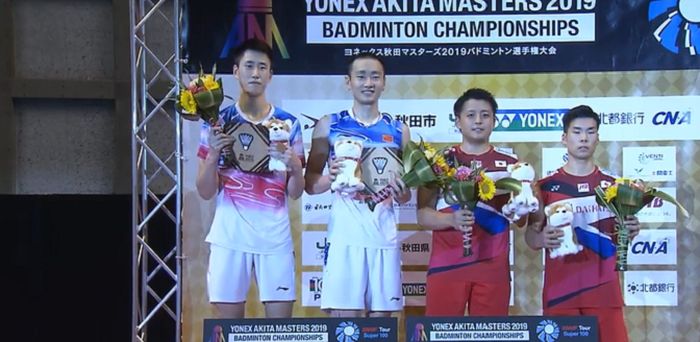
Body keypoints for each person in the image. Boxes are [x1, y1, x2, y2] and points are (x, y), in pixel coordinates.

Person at [195, 38, 305, 318]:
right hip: (229, 237)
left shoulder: (288, 124)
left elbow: (295, 192)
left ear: (271, 75)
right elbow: (205, 191)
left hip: (275, 238)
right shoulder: (217, 122)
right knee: (229, 330)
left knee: (280, 332)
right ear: (235, 72)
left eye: (262, 67)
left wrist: (294, 166)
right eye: (249, 66)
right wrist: (212, 155)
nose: (255, 73)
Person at [303, 52, 412, 317]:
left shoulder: (399, 130)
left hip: (383, 237)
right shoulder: (329, 125)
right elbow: (310, 184)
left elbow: (406, 193)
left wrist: (401, 192)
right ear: (348, 81)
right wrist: (331, 178)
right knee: (345, 327)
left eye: (375, 76)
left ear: (384, 82)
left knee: (380, 329)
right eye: (361, 76)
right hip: (345, 239)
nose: (368, 82)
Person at [524, 105, 640, 342]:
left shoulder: (615, 187)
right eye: (577, 132)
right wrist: (540, 239)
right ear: (564, 138)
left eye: (590, 131)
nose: (584, 138)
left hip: (605, 293)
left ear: (598, 138)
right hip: (561, 294)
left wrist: (631, 231)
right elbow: (531, 235)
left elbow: (621, 235)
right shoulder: (545, 186)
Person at [417, 88, 527, 316]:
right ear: (457, 121)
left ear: (494, 121)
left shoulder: (512, 164)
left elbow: (521, 219)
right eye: (470, 115)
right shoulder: (439, 162)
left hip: (493, 268)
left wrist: (521, 208)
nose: (478, 121)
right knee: (440, 335)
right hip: (446, 267)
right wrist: (451, 219)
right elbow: (422, 215)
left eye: (485, 115)